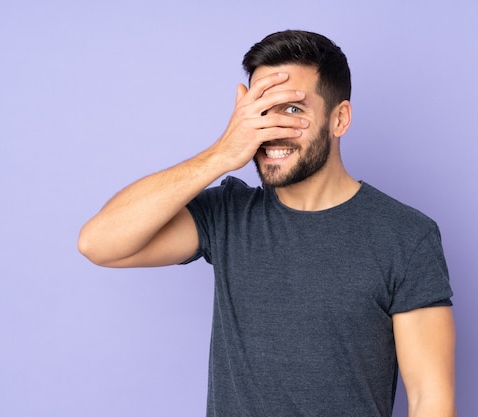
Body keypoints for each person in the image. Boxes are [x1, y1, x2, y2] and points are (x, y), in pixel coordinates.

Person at [78, 30, 456, 417]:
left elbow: (431, 399)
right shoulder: (227, 214)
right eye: (260, 109)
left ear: (339, 118)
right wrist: (221, 154)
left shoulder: (405, 235)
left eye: (292, 109)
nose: (269, 129)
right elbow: (99, 243)